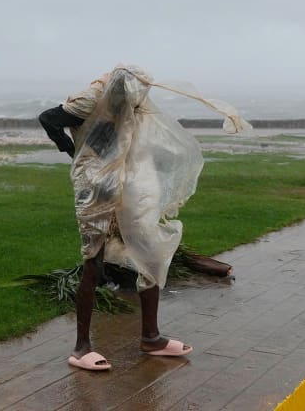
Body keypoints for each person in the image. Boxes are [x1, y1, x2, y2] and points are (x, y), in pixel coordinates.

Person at [39, 65, 198, 371]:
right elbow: (48, 118)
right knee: (93, 262)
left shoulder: (136, 101)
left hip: (127, 181)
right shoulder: (89, 101)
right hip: (95, 185)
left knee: (149, 254)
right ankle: (81, 347)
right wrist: (75, 153)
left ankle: (151, 337)